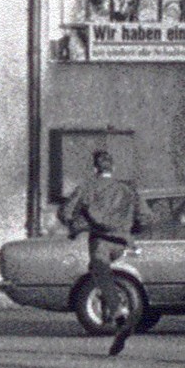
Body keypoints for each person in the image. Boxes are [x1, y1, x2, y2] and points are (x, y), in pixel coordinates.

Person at [58, 150, 143, 356]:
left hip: (100, 243)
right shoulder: (127, 189)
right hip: (122, 243)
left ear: (95, 169)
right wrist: (129, 230)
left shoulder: (87, 188)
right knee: (101, 274)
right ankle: (113, 308)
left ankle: (117, 312)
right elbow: (145, 217)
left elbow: (66, 212)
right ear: (112, 168)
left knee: (99, 272)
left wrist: (76, 225)